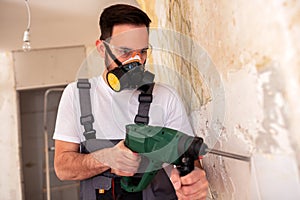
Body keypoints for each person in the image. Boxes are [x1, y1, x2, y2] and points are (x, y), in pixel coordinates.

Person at [53, 4, 208, 200]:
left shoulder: (166, 97)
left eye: (142, 52)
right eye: (125, 51)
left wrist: (192, 181)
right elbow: (63, 168)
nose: (136, 61)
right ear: (102, 49)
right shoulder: (76, 95)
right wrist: (105, 159)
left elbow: (188, 159)